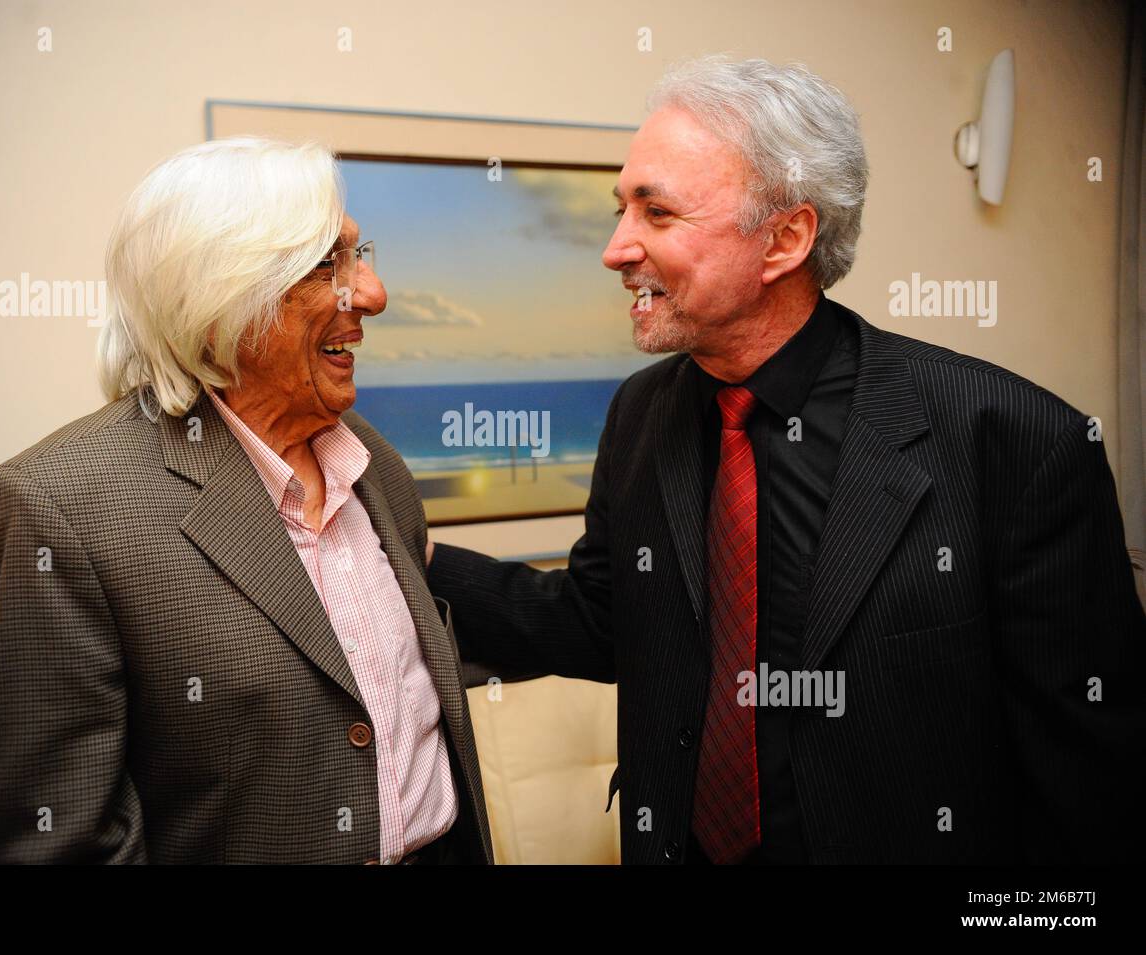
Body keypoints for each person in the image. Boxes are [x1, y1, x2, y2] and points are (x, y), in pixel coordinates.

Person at [425, 55, 1146, 864]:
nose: (615, 248)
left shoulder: (1016, 440)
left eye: (656, 212)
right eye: (620, 209)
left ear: (786, 238)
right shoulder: (641, 415)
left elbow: (1090, 776)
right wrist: (397, 549)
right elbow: (604, 623)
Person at [0, 136, 491, 864]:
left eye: (358, 253)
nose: (371, 293)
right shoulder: (60, 506)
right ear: (221, 300)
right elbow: (58, 843)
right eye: (327, 265)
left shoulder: (378, 464)